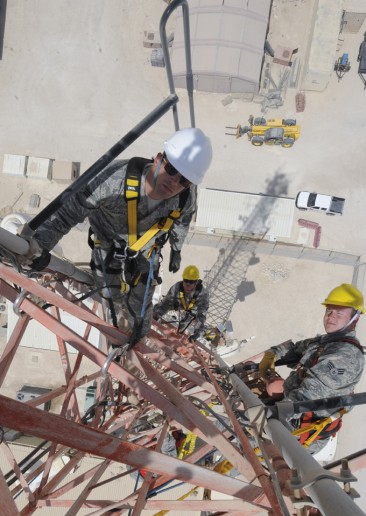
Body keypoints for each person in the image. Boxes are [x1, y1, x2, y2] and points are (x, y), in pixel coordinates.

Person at [21, 128, 212, 345]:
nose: (174, 182)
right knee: (110, 293)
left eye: (184, 180)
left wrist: (176, 249)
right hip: (107, 242)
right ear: (159, 159)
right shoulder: (113, 179)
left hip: (146, 250)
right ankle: (116, 329)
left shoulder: (185, 196)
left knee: (141, 306)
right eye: (171, 169)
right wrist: (39, 247)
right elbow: (66, 214)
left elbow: (183, 220)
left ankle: (136, 338)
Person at [258, 283, 365, 454]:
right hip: (291, 407)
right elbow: (295, 348)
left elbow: (306, 397)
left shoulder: (345, 355)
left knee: (243, 443)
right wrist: (272, 354)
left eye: (339, 312)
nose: (331, 316)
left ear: (355, 318)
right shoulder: (326, 341)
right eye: (329, 310)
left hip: (303, 428)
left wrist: (272, 416)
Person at [153, 265, 209, 341]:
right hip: (179, 304)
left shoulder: (202, 294)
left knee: (183, 325)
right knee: (158, 309)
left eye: (191, 281)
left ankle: (180, 333)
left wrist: (197, 333)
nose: (188, 284)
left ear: (196, 282)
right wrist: (157, 314)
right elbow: (166, 302)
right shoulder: (177, 287)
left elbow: (201, 315)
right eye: (185, 280)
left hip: (193, 310)